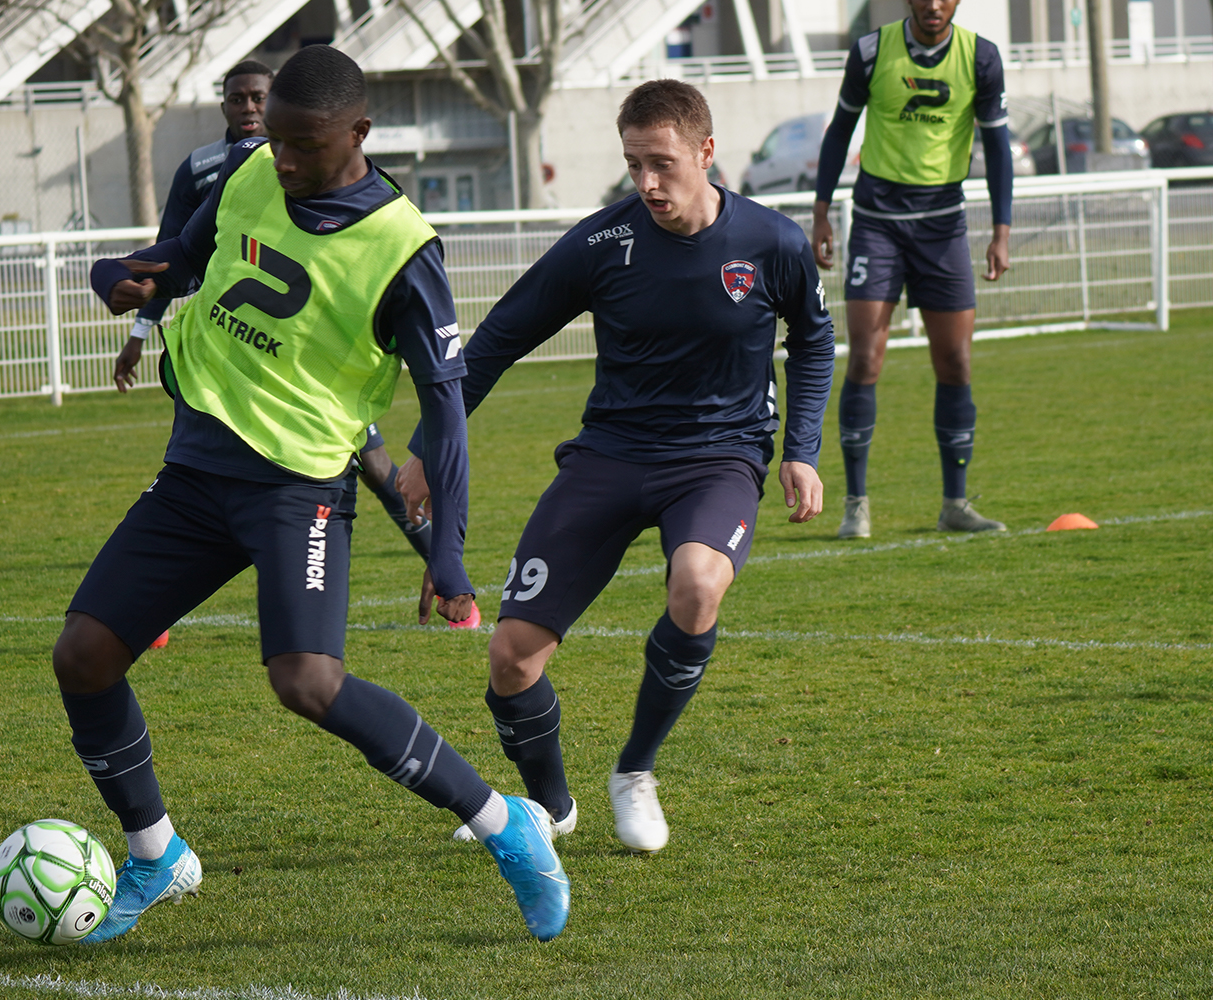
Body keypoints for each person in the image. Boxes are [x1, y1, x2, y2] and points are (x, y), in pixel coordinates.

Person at [57, 45, 568, 944]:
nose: (282, 159)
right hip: (196, 470)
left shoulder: (403, 247)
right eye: (276, 142)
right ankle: (156, 853)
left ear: (358, 133)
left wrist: (445, 552)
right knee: (84, 657)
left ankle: (504, 822)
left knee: (307, 683)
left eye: (304, 144)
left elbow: (444, 414)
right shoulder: (254, 173)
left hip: (297, 490)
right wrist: (117, 273)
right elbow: (181, 255)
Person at [398, 80, 833, 853]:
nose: (646, 183)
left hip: (719, 459)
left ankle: (635, 771)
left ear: (706, 151)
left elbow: (813, 341)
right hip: (610, 456)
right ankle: (551, 807)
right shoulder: (604, 242)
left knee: (698, 583)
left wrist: (800, 449)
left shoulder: (773, 243)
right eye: (633, 164)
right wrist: (428, 448)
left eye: (661, 163)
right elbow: (496, 341)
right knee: (510, 659)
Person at [111, 60, 437, 570]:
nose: (249, 109)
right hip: (227, 357)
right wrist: (139, 326)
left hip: (312, 369)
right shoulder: (208, 167)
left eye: (258, 99)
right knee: (201, 471)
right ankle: (150, 592)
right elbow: (170, 255)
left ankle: (437, 561)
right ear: (223, 105)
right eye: (238, 99)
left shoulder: (329, 174)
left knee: (376, 468)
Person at [810, 0, 1013, 538]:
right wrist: (821, 211)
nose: (933, 5)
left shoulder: (981, 58)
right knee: (866, 359)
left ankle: (955, 504)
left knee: (955, 361)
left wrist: (1001, 230)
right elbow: (840, 130)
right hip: (878, 224)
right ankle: (856, 503)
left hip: (944, 227)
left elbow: (997, 145)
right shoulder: (872, 52)